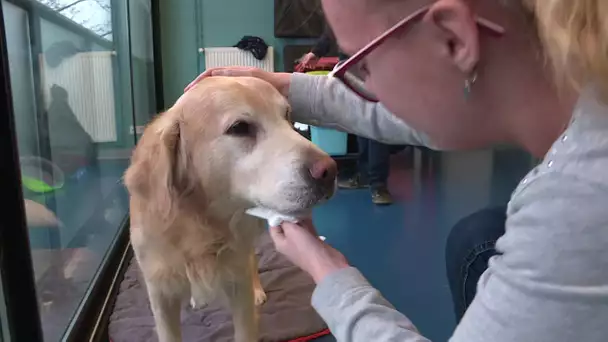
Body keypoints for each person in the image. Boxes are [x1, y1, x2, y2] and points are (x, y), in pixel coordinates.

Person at [185, 0, 608, 341]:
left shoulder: (580, 203)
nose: (360, 83)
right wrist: (289, 88)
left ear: (454, 39)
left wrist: (327, 272)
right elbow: (421, 111)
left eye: (360, 66)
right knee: (477, 238)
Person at [301, 22, 395, 205]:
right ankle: (365, 176)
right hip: (350, 67)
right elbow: (333, 28)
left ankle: (379, 185)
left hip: (376, 65)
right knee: (359, 122)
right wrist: (316, 52)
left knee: (375, 124)